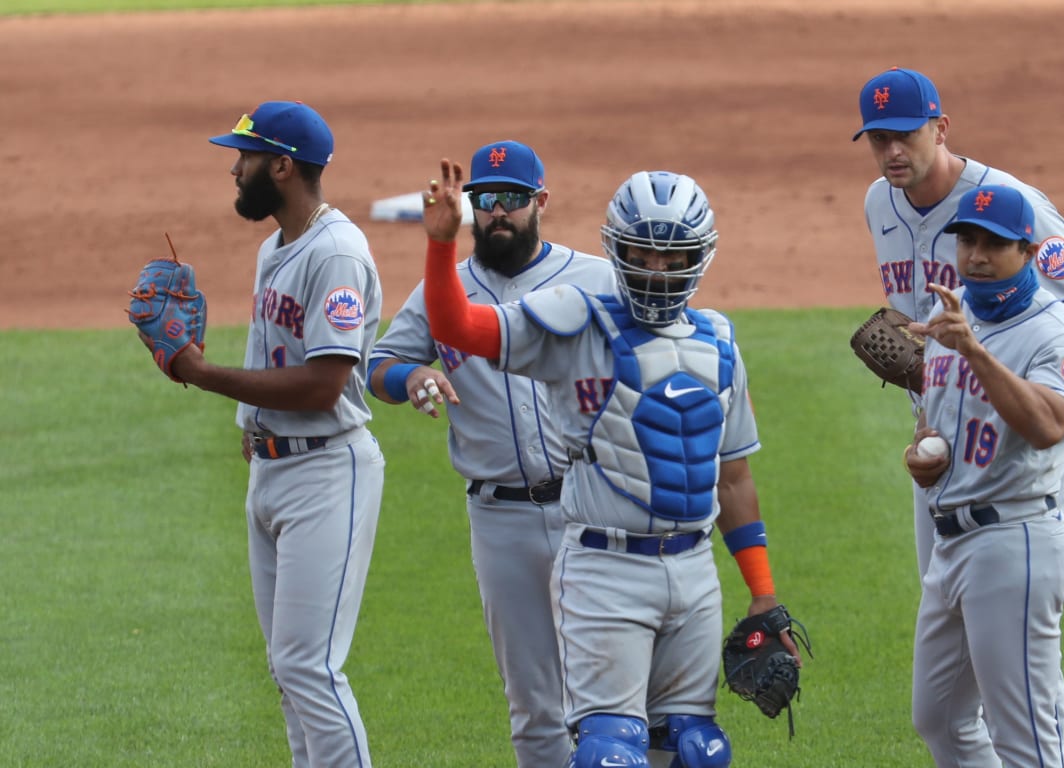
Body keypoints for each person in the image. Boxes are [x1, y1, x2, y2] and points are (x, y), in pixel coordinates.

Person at [416, 162, 800, 767]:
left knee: (696, 750)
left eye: (673, 258)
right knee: (609, 754)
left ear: (699, 256)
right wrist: (441, 246)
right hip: (604, 569)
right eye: (642, 254)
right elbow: (458, 327)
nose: (657, 271)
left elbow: (734, 478)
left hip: (694, 571)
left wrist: (763, 594)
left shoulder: (720, 342)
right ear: (616, 250)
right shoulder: (575, 323)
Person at [852, 65, 1064, 764]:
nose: (892, 152)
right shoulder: (881, 201)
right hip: (942, 438)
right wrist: (932, 365)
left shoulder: (1006, 203)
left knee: (1017, 666)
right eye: (878, 140)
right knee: (948, 693)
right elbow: (915, 319)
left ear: (941, 126)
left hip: (1024, 444)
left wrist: (988, 347)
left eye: (904, 135)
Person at [366, 140, 615, 766]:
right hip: (500, 518)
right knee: (534, 708)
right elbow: (379, 364)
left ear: (541, 202)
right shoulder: (442, 291)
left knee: (611, 696)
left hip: (591, 507)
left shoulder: (596, 278)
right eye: (486, 200)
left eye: (512, 199)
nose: (497, 212)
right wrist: (412, 378)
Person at [176, 101, 384, 767]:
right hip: (272, 470)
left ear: (283, 166)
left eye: (246, 157)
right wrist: (252, 425)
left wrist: (205, 376)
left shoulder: (339, 254)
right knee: (289, 672)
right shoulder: (275, 247)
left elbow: (323, 384)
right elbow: (273, 353)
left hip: (327, 472)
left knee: (311, 668)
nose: (236, 170)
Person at [902, 184, 1064, 767]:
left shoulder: (1059, 335)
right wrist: (921, 458)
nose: (977, 255)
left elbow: (1048, 426)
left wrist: (977, 354)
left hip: (1018, 540)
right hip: (952, 543)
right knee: (939, 717)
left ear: (1029, 251)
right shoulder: (948, 312)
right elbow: (936, 426)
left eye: (994, 245)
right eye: (968, 241)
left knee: (1026, 738)